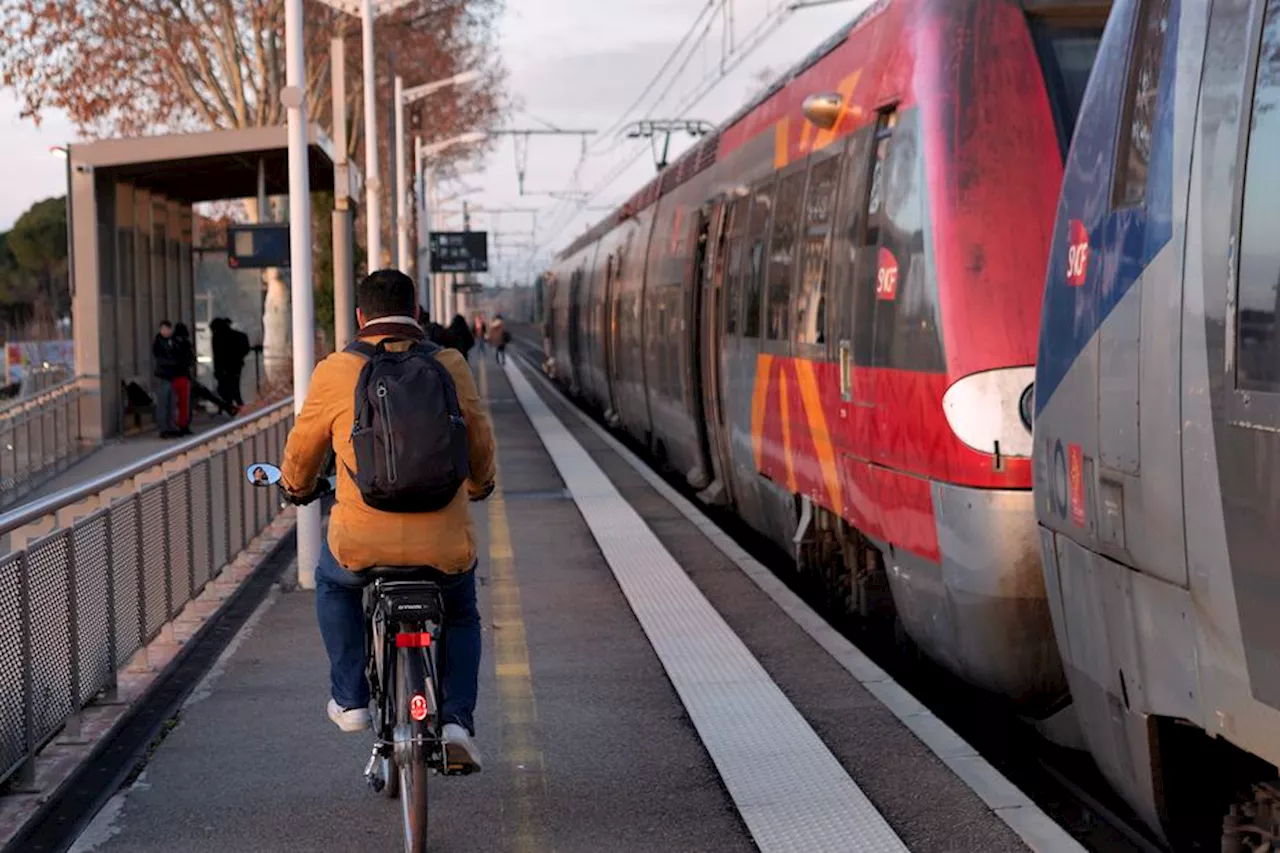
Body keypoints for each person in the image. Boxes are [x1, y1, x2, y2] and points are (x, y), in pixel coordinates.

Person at [279, 269, 495, 772]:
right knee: (461, 610)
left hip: (363, 543)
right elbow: (479, 440)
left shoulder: (337, 370)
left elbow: (302, 449)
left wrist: (296, 488)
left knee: (331, 583)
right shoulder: (450, 363)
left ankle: (351, 698)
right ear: (416, 312)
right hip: (443, 544)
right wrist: (480, 485)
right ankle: (457, 721)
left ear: (360, 317)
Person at [211, 317, 250, 411]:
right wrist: (239, 357)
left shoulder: (217, 337)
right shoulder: (238, 335)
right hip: (235, 366)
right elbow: (246, 348)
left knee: (225, 388)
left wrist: (217, 370)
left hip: (223, 368)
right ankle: (237, 405)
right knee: (235, 387)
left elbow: (217, 356)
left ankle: (229, 407)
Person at [152, 321, 182, 438]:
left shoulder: (174, 341)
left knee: (172, 403)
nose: (165, 332)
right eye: (163, 329)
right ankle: (164, 429)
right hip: (163, 376)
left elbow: (178, 354)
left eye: (167, 329)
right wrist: (173, 362)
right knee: (163, 403)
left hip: (172, 376)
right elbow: (160, 358)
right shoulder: (158, 342)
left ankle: (172, 427)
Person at [172, 323, 197, 436]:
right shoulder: (187, 344)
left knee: (174, 404)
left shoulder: (171, 343)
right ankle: (183, 425)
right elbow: (192, 359)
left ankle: (175, 426)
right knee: (184, 404)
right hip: (183, 376)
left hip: (172, 377)